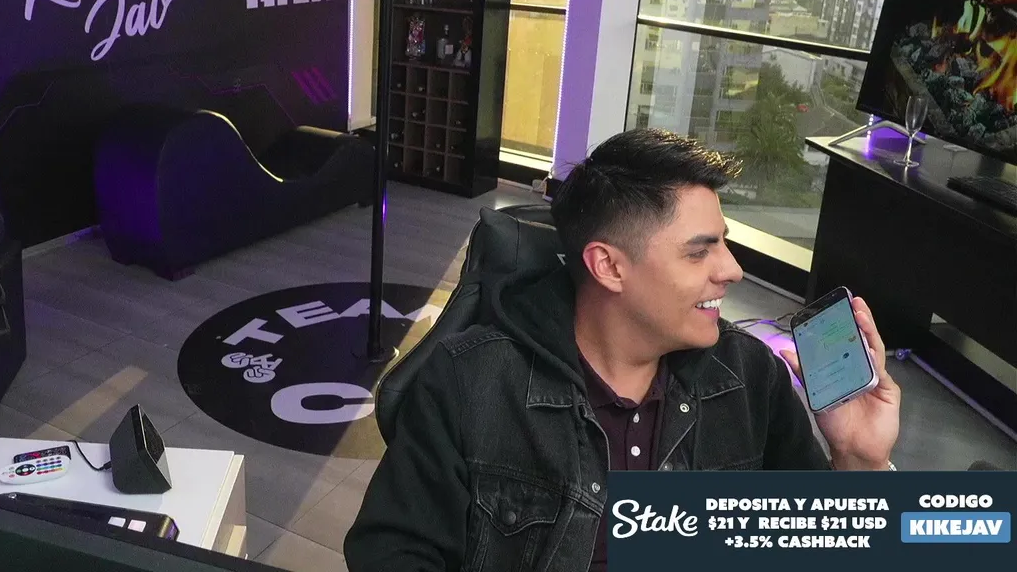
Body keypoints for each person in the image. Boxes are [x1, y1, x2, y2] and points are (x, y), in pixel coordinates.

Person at [344, 128, 901, 572]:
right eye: (699, 252)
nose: (732, 270)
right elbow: (390, 552)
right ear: (609, 266)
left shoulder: (750, 377)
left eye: (724, 244)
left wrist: (860, 460)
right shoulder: (473, 383)